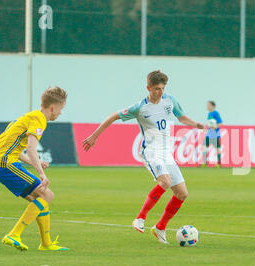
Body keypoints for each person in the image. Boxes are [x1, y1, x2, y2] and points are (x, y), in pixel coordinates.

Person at [82, 70, 204, 244]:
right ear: (148, 88)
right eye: (156, 89)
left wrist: (196, 124)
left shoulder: (170, 100)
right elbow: (113, 117)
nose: (159, 92)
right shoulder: (139, 107)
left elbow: (181, 117)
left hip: (166, 153)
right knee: (165, 181)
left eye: (162, 88)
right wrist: (94, 136)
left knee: (182, 193)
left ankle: (160, 227)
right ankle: (140, 218)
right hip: (151, 151)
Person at [0, 87, 69, 251]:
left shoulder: (30, 117)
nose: (60, 113)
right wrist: (41, 173)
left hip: (0, 164)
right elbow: (31, 148)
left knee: (39, 199)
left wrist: (36, 162)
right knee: (47, 194)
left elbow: (16, 149)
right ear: (53, 107)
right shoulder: (39, 120)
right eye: (61, 109)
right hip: (5, 165)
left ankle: (46, 243)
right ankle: (14, 234)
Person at [201, 101, 223, 167]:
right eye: (207, 105)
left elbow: (220, 123)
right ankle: (205, 162)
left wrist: (215, 127)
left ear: (213, 106)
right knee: (204, 146)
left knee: (217, 148)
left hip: (215, 134)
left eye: (208, 105)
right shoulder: (209, 114)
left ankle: (219, 163)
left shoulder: (216, 113)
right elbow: (210, 123)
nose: (207, 106)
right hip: (209, 134)